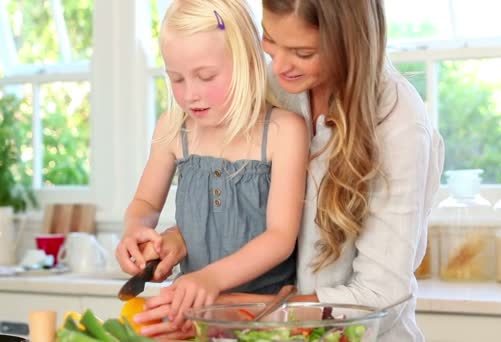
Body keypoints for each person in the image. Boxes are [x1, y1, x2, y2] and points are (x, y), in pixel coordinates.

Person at [133, 0, 445, 341]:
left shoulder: (398, 123)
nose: (278, 65)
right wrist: (181, 237)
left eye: (303, 52)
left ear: (349, 41)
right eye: (270, 39)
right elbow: (248, 204)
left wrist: (226, 311)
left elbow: (377, 298)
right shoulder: (272, 84)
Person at [115, 0, 308, 331]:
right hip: (194, 321)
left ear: (247, 63)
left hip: (267, 322)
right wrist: (136, 231)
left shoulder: (283, 131)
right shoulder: (173, 129)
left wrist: (210, 279)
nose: (190, 94)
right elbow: (146, 203)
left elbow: (280, 237)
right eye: (176, 79)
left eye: (205, 76)